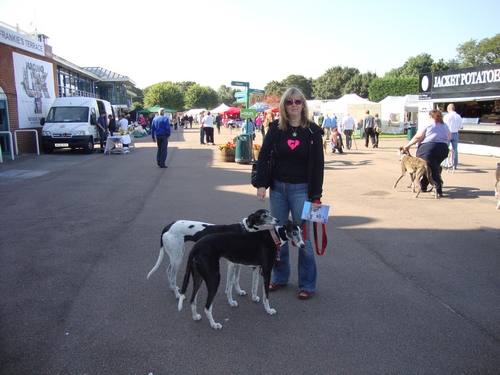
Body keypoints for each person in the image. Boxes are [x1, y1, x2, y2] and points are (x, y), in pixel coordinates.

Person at [255, 87, 324, 300]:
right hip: (277, 188)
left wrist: (316, 196)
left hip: (301, 189)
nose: (293, 105)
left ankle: (307, 284)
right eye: (289, 102)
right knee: (277, 234)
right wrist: (261, 184)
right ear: (284, 105)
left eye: (297, 101)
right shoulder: (276, 128)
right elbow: (264, 155)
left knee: (303, 238)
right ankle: (280, 276)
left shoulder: (313, 131)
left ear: (303, 104)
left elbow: (318, 165)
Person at [404, 109, 451, 197]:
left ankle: (438, 190)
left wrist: (408, 145)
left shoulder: (427, 124)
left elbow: (418, 137)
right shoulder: (445, 125)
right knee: (430, 167)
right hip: (443, 148)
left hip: (428, 148)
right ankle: (423, 186)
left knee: (433, 169)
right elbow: (449, 137)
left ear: (430, 116)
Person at [443, 103, 462, 170]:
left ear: (448, 109)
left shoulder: (446, 116)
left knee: (445, 149)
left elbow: (444, 125)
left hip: (448, 133)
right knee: (455, 150)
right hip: (455, 133)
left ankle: (446, 164)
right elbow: (461, 126)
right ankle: (455, 164)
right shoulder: (458, 116)